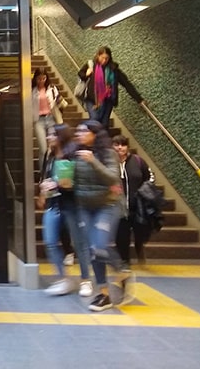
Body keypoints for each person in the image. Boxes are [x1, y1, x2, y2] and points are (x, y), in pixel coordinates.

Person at [73, 121, 133, 311]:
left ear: (95, 134)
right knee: (93, 251)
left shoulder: (108, 153)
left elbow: (112, 178)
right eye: (79, 131)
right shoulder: (76, 153)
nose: (80, 134)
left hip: (107, 206)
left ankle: (122, 270)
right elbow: (73, 180)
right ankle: (104, 294)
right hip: (85, 207)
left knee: (99, 245)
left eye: (84, 131)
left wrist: (93, 161)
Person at [39, 124, 90, 296]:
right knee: (51, 241)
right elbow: (47, 176)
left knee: (79, 244)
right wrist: (44, 189)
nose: (48, 137)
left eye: (52, 134)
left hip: (72, 205)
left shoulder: (73, 155)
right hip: (53, 204)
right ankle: (63, 278)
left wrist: (57, 183)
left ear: (61, 136)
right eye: (48, 135)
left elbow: (75, 181)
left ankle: (85, 280)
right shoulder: (51, 155)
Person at [112, 135, 154, 266]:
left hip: (138, 206)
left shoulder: (138, 161)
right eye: (116, 144)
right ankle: (125, 261)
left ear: (128, 147)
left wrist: (144, 192)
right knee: (121, 236)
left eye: (123, 145)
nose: (120, 147)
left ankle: (139, 248)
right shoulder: (109, 164)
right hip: (119, 208)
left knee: (140, 233)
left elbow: (150, 178)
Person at [78, 46, 144, 128]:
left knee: (104, 124)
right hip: (92, 99)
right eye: (102, 58)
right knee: (95, 118)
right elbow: (81, 74)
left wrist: (139, 99)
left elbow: (126, 83)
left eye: (107, 58)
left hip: (107, 100)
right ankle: (82, 128)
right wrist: (86, 74)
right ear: (98, 56)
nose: (104, 60)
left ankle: (100, 140)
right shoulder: (91, 65)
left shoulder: (113, 69)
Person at [31, 68, 64, 166]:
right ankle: (43, 174)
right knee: (43, 148)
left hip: (51, 119)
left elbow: (58, 102)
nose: (41, 81)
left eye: (43, 78)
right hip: (38, 120)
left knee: (52, 146)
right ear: (35, 79)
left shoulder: (52, 88)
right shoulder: (32, 90)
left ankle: (51, 170)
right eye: (39, 79)